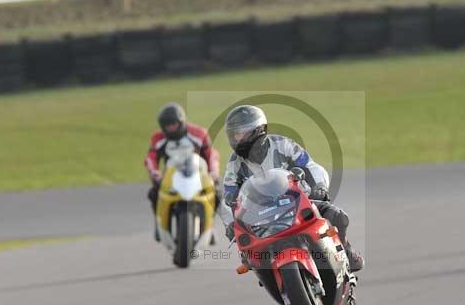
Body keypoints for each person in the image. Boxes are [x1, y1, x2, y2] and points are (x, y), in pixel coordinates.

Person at [219, 105, 364, 271]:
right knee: (248, 254)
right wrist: (231, 224)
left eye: (242, 133)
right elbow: (229, 195)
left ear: (258, 130)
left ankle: (344, 248)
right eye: (235, 135)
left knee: (338, 216)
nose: (238, 139)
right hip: (262, 216)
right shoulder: (234, 164)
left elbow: (310, 166)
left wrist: (320, 187)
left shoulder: (283, 144)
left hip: (299, 202)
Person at [145, 103, 220, 240]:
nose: (171, 128)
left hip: (197, 173)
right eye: (167, 125)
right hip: (171, 176)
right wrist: (154, 172)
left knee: (217, 193)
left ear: (181, 121)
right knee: (153, 193)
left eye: (173, 124)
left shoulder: (199, 133)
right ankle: (159, 224)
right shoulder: (157, 138)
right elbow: (151, 157)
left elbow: (211, 154)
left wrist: (213, 171)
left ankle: (210, 226)